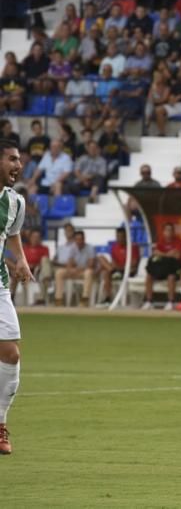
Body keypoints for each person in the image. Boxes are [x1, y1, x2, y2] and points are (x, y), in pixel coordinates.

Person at [0, 139, 29, 454]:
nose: (17, 165)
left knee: (11, 354)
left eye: (19, 160)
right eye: (11, 158)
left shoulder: (15, 202)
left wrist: (20, 258)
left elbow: (12, 231)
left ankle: (0, 424)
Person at [142, 223, 181, 310]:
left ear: (174, 232)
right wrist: (168, 254)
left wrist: (162, 254)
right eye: (167, 230)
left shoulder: (179, 241)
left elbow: (177, 256)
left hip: (177, 269)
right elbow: (155, 253)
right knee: (149, 276)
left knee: (171, 276)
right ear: (163, 232)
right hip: (163, 268)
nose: (169, 232)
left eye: (171, 230)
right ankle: (149, 301)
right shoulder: (161, 241)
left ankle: (171, 302)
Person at [96, 227, 138, 307]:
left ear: (126, 237)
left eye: (121, 237)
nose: (120, 239)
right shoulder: (114, 247)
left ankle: (113, 271)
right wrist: (115, 267)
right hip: (116, 269)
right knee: (102, 261)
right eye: (118, 237)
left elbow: (133, 263)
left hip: (128, 271)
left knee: (107, 271)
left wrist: (121, 267)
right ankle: (108, 298)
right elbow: (114, 261)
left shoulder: (133, 247)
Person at [53, 230, 96, 306]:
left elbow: (91, 264)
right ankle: (58, 299)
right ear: (75, 240)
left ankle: (85, 299)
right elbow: (69, 262)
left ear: (84, 239)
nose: (79, 241)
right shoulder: (73, 247)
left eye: (80, 239)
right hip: (75, 271)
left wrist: (79, 269)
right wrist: (70, 269)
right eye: (77, 239)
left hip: (84, 271)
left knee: (89, 272)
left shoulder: (90, 248)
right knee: (59, 272)